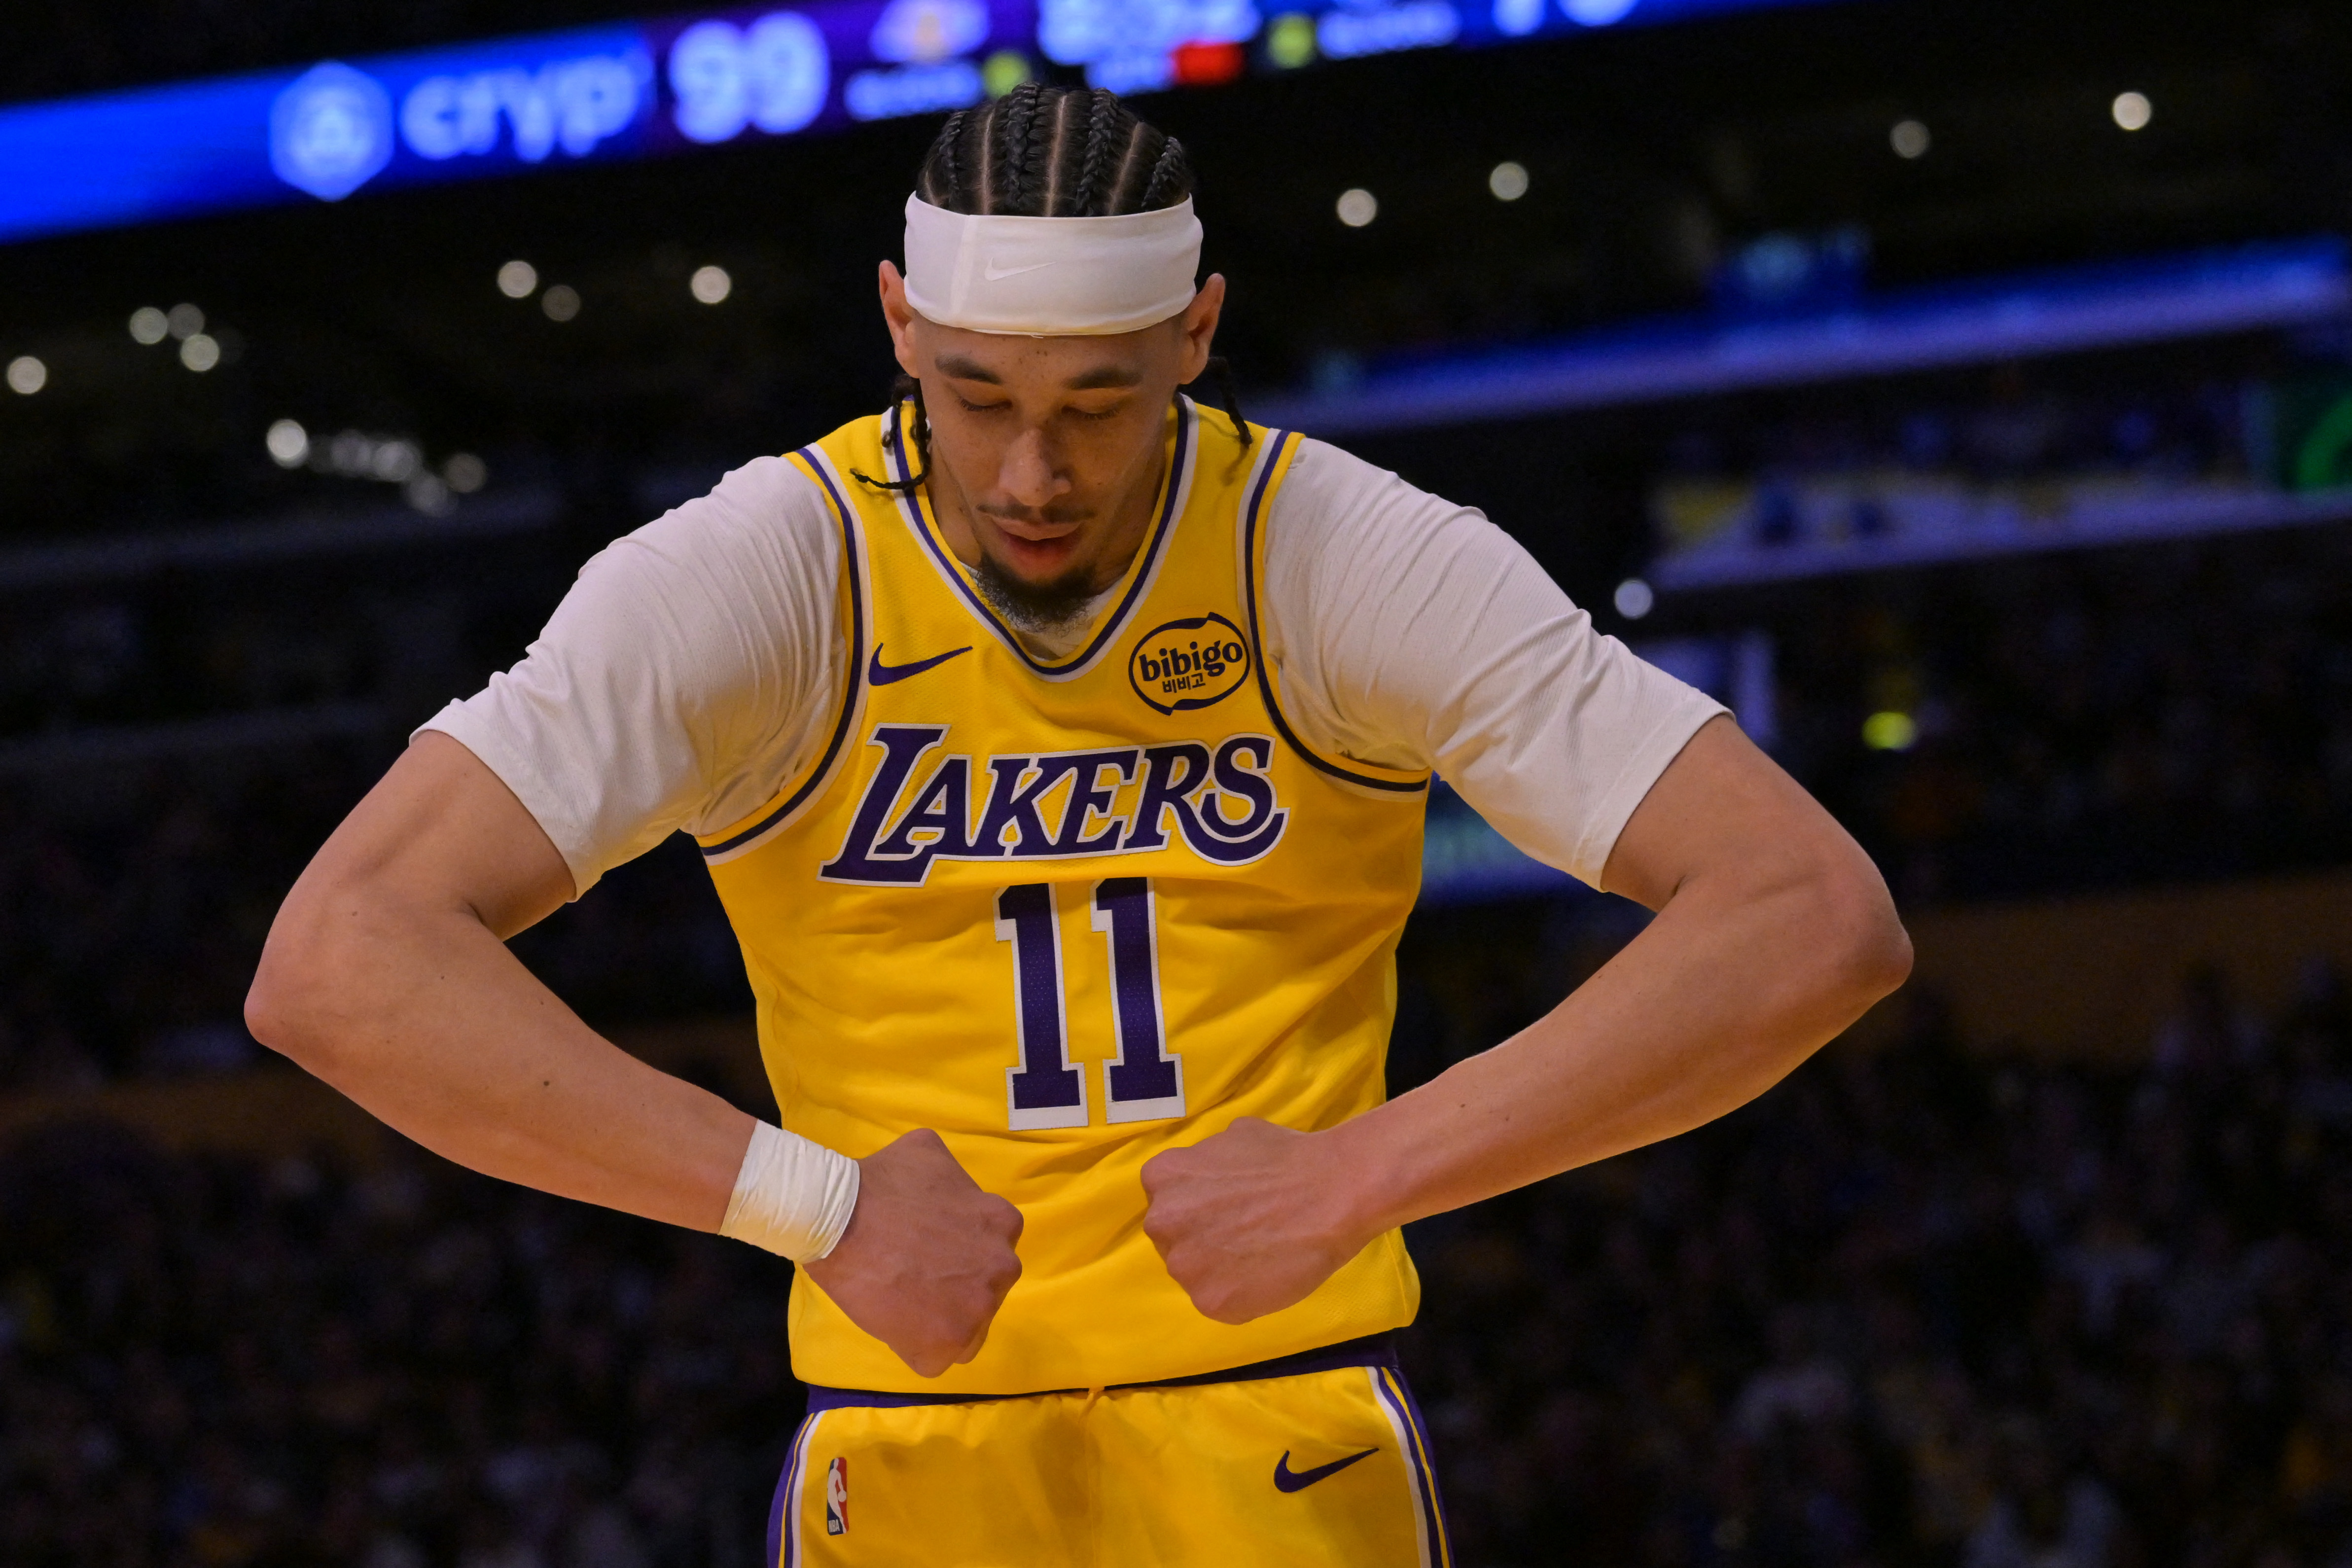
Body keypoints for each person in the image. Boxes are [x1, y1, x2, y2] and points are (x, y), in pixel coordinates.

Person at [248, 85, 1910, 1567]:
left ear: (1197, 335)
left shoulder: (1341, 552)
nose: (1032, 470)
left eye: (1099, 403)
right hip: (901, 1437)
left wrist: (1361, 1173)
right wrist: (804, 1205)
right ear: (897, 322)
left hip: (1280, 1421)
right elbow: (338, 960)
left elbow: (1806, 910)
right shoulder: (761, 568)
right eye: (978, 397)